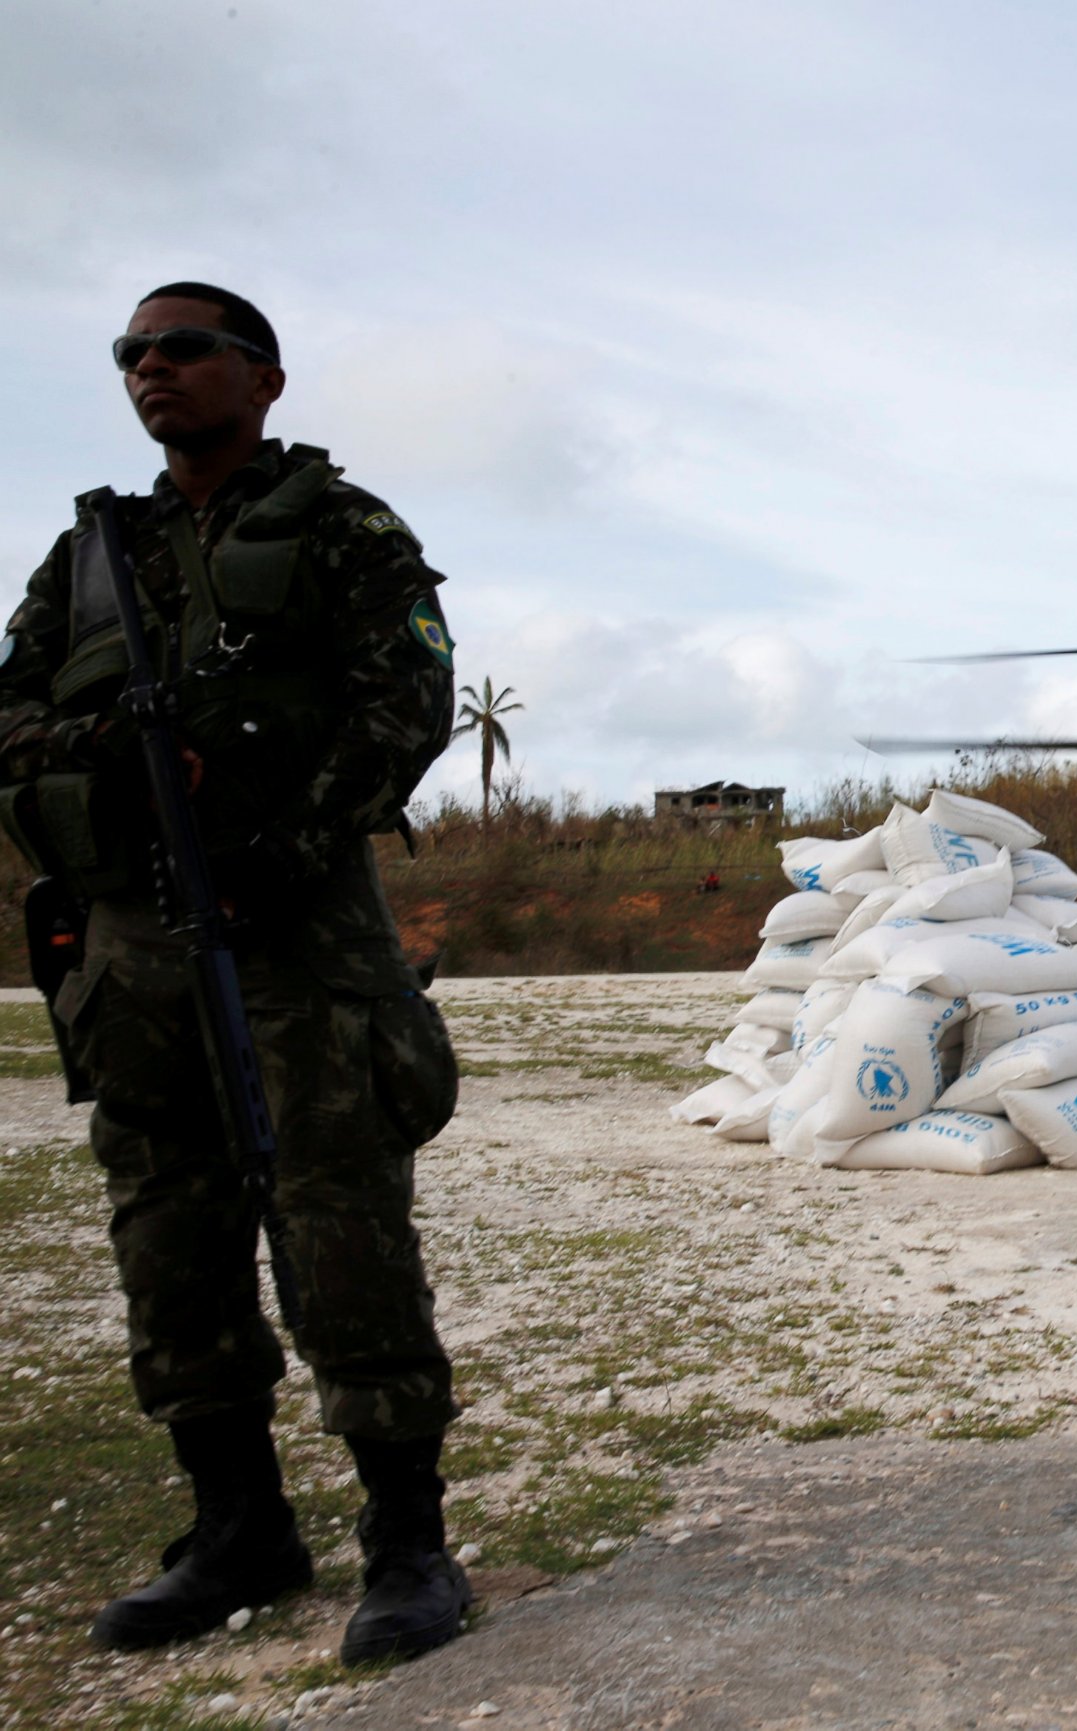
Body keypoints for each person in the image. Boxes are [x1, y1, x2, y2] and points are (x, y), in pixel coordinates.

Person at [0, 284, 473, 1661]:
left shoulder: (339, 527)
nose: (154, 369)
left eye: (185, 347)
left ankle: (408, 1544)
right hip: (132, 950)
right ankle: (237, 1529)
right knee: (169, 1238)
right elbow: (10, 707)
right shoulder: (92, 552)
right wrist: (109, 766)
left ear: (262, 378)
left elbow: (408, 704)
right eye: (133, 354)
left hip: (298, 933)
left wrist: (281, 831)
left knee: (340, 1231)